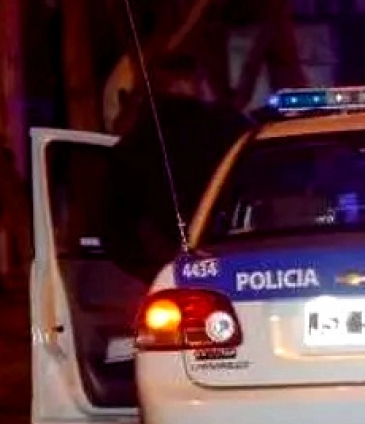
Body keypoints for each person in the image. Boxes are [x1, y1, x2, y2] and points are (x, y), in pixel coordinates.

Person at [104, 53, 253, 283]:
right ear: (197, 80)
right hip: (240, 265)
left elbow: (118, 233)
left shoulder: (133, 145)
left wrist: (158, 271)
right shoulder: (231, 127)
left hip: (167, 275)